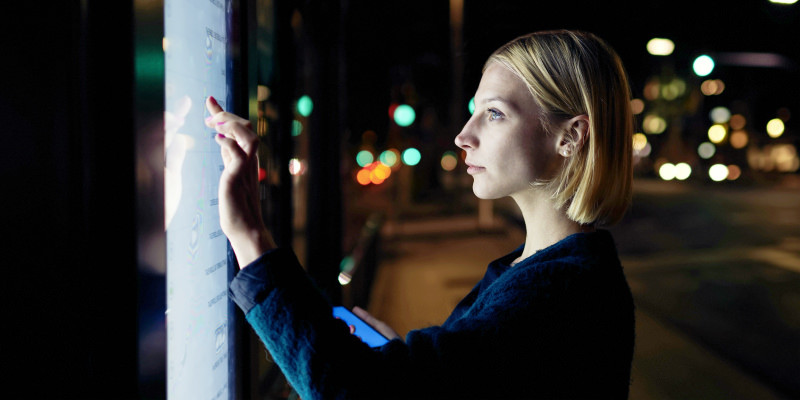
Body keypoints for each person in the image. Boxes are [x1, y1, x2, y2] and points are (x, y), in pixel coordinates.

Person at [207, 29, 635, 399]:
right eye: (474, 111)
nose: (464, 135)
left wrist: (248, 235)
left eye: (495, 114)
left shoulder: (558, 293)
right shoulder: (549, 270)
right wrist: (412, 369)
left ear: (572, 137)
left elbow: (352, 389)